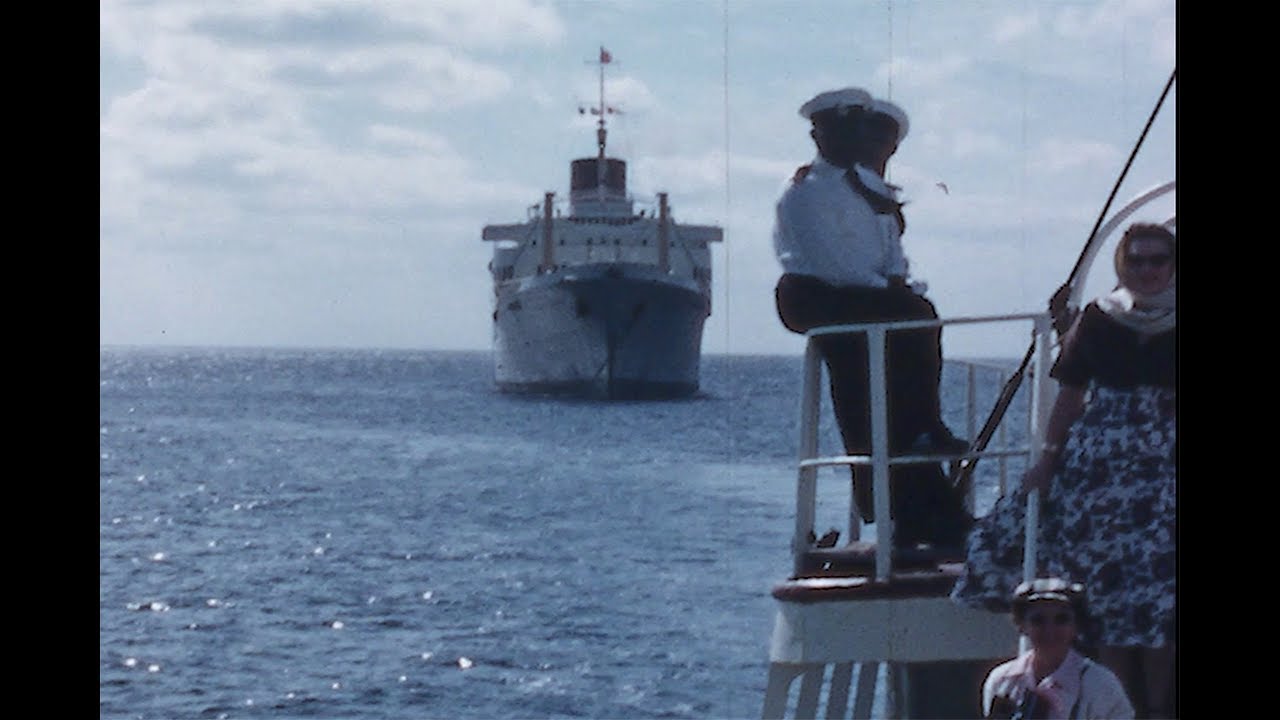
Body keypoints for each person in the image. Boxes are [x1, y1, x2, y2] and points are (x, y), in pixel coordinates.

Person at [952, 222, 1176, 718]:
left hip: (1162, 472)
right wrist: (1048, 460)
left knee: (1158, 598)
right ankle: (1125, 707)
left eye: (1157, 260)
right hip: (1102, 473)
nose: (1147, 270)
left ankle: (1158, 709)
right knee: (1113, 596)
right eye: (1136, 261)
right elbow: (1071, 392)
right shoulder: (1101, 317)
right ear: (1123, 264)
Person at [772, 87, 970, 548]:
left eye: (856, 131)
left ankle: (924, 474)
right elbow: (833, 263)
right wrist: (891, 292)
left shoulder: (863, 189)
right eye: (839, 131)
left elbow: (888, 254)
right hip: (819, 295)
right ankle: (911, 476)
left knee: (893, 386)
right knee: (869, 392)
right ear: (817, 134)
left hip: (863, 295)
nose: (852, 140)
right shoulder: (805, 192)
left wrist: (898, 285)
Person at [983, 578, 1134, 719]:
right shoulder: (1002, 682)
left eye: (1061, 620)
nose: (1050, 630)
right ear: (1021, 626)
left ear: (1076, 626)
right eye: (1038, 620)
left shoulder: (1101, 685)